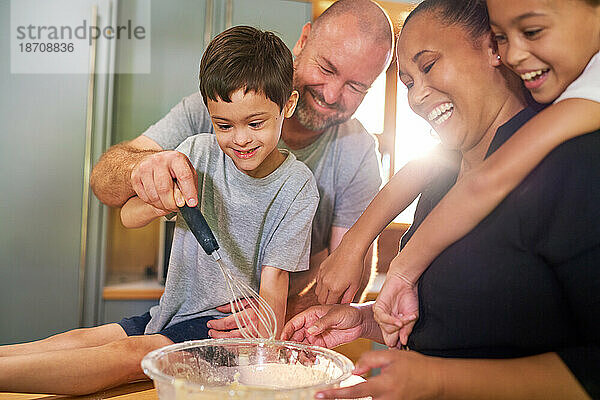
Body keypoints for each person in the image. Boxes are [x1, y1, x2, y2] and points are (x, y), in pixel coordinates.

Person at [283, 0, 600, 398]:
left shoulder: (572, 164)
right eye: (409, 83)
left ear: (493, 49)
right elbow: (457, 320)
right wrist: (365, 321)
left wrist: (436, 380)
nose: (416, 99)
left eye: (429, 66)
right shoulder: (441, 176)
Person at [0, 25, 319, 395]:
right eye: (224, 125)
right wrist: (160, 202)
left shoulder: (297, 186)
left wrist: (264, 346)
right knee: (86, 338)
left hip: (220, 328)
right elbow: (128, 216)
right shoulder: (197, 154)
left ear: (288, 105)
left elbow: (275, 281)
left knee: (126, 357)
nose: (241, 138)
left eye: (256, 123)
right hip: (171, 312)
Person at [89, 0, 394, 324]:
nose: (332, 94)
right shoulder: (210, 113)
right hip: (184, 312)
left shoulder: (356, 154)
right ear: (303, 41)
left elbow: (347, 274)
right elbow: (105, 184)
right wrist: (143, 171)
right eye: (326, 69)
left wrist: (270, 320)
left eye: (355, 86)